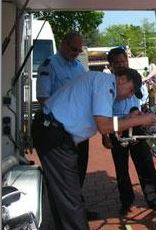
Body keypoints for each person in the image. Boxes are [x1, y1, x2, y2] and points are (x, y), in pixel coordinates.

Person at [31, 68, 156, 230]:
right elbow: (104, 126)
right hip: (54, 133)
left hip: (53, 132)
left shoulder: (101, 82)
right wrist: (141, 120)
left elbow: (100, 118)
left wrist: (126, 119)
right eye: (131, 90)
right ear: (122, 79)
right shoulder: (106, 85)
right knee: (70, 195)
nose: (130, 95)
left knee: (63, 194)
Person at [35, 31, 95, 216]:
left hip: (78, 128)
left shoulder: (78, 66)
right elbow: (43, 97)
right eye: (73, 49)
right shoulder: (50, 65)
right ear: (62, 44)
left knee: (79, 169)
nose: (76, 53)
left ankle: (78, 208)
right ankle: (64, 213)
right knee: (62, 174)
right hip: (59, 129)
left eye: (79, 50)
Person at [104, 47, 156, 215]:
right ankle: (126, 201)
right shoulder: (106, 84)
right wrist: (105, 135)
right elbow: (101, 112)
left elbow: (142, 99)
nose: (121, 65)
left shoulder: (135, 77)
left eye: (123, 61)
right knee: (121, 168)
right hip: (116, 128)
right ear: (110, 65)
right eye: (117, 62)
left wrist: (138, 113)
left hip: (136, 124)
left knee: (145, 164)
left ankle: (155, 200)